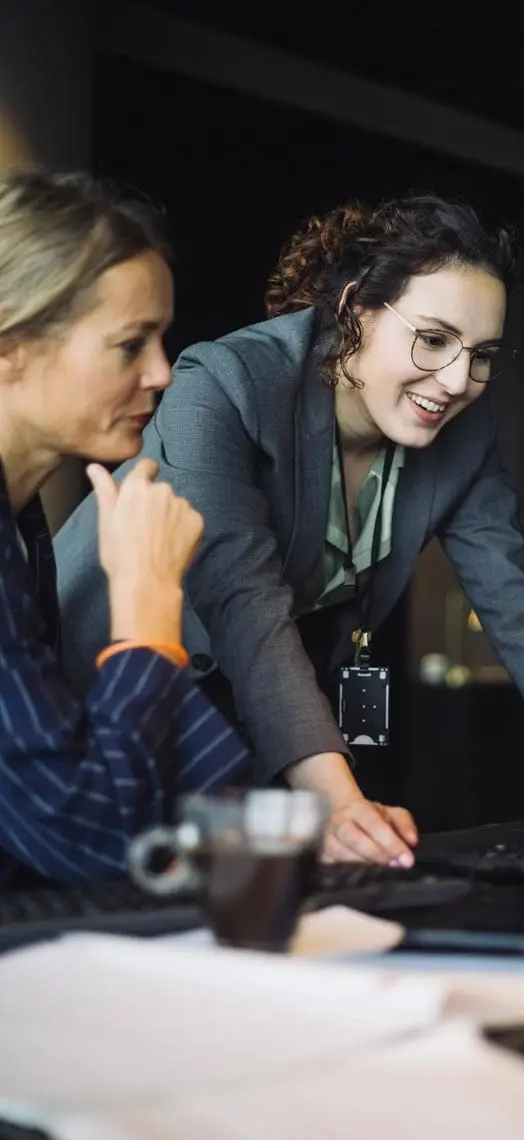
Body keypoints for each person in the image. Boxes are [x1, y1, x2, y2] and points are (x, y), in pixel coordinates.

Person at [55, 193, 524, 867]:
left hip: (242, 724)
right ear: (356, 308)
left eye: (482, 354)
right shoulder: (225, 381)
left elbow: (523, 617)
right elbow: (244, 601)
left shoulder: (465, 435)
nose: (456, 381)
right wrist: (338, 802)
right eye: (434, 339)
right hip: (96, 702)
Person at [0, 169, 257, 887]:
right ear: (11, 342)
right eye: (129, 345)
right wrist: (148, 609)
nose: (163, 374)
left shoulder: (22, 520)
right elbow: (91, 835)